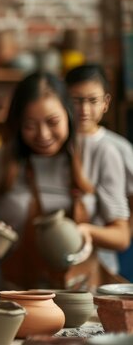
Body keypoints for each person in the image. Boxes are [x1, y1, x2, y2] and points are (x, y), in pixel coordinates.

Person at [0, 71, 130, 291]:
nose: (43, 135)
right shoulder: (0, 161)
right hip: (21, 295)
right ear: (17, 124)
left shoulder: (100, 153)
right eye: (30, 125)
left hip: (86, 293)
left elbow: (121, 236)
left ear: (68, 115)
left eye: (53, 122)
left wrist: (85, 232)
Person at [65, 64, 133, 281]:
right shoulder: (57, 144)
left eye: (92, 101)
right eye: (76, 100)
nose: (84, 109)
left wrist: (121, 234)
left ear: (106, 103)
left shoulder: (118, 148)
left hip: (104, 258)